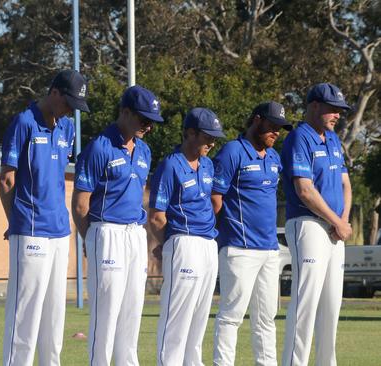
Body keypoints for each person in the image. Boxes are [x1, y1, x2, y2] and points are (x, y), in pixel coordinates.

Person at [0, 70, 89, 366]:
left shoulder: (67, 128)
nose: (71, 111)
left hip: (60, 231)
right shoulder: (24, 123)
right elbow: (7, 180)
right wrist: (15, 222)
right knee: (24, 314)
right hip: (31, 229)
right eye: (69, 103)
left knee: (54, 314)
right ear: (54, 93)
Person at [72, 85, 163, 365]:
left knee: (133, 306)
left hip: (136, 234)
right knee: (107, 308)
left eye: (152, 122)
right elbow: (80, 205)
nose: (148, 126)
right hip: (106, 231)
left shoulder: (145, 151)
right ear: (125, 112)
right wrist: (91, 241)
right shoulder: (99, 147)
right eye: (143, 119)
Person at [211, 101, 292, 366]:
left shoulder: (274, 157)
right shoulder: (233, 151)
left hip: (270, 250)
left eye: (280, 128)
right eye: (272, 126)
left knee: (266, 318)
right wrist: (225, 234)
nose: (276, 132)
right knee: (231, 315)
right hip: (239, 248)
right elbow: (215, 198)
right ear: (257, 120)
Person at [281, 83, 352, 366]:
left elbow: (346, 183)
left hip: (335, 230)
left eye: (340, 111)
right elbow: (305, 191)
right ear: (314, 106)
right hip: (308, 224)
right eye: (332, 109)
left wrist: (343, 221)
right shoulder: (300, 137)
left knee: (331, 306)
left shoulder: (333, 139)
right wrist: (337, 221)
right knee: (305, 305)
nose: (337, 115)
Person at [148, 107, 225, 365]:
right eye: (207, 136)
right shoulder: (171, 165)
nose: (212, 142)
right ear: (189, 133)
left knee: (199, 317)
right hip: (184, 241)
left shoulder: (207, 165)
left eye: (215, 137)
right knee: (177, 319)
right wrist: (167, 244)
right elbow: (157, 215)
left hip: (208, 244)